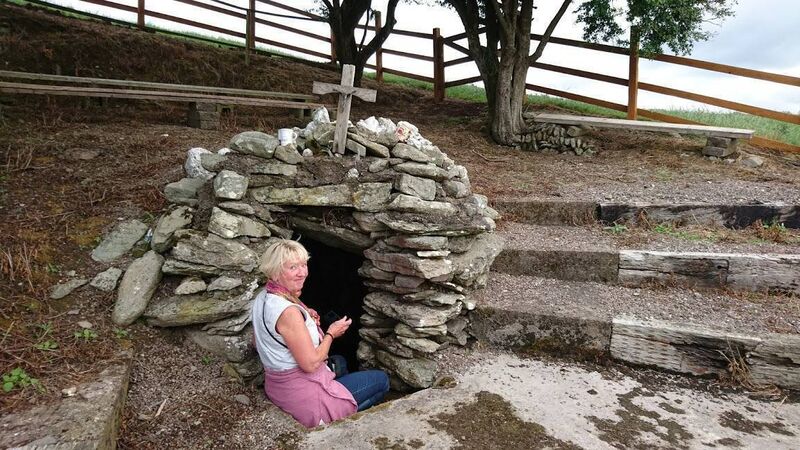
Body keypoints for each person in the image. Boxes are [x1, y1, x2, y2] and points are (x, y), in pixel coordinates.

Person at [251, 239, 390, 428]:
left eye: (303, 264)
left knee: (340, 362)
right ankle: (339, 419)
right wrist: (330, 333)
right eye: (293, 267)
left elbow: (257, 342)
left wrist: (304, 317)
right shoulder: (289, 312)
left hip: (277, 385)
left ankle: (338, 393)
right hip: (302, 396)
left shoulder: (263, 297)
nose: (302, 273)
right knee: (382, 381)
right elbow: (310, 364)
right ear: (274, 272)